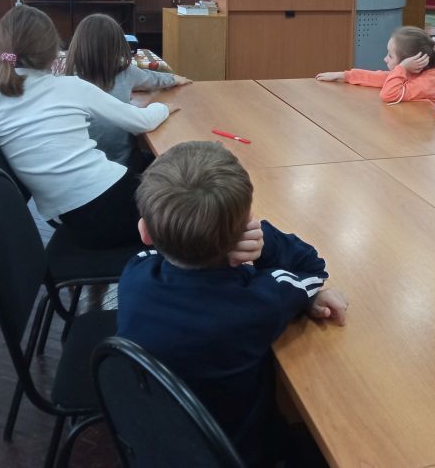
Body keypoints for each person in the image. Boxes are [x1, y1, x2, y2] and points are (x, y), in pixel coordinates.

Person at [118, 141, 348, 465]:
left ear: (145, 232)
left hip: (156, 444)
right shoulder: (257, 304)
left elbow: (155, 255)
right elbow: (312, 269)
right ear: (246, 224)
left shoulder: (135, 274)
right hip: (238, 454)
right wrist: (264, 241)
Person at [0, 4, 174, 249]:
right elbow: (143, 121)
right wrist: (164, 108)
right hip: (115, 204)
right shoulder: (71, 87)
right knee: (185, 205)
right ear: (54, 53)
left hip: (76, 222)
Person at [65, 13, 190, 169]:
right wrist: (173, 80)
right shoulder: (125, 72)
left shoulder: (69, 80)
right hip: (124, 164)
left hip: (84, 166)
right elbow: (151, 80)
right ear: (119, 46)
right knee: (171, 160)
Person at [315, 26, 435, 104]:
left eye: (390, 56)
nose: (385, 59)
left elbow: (389, 94)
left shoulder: (428, 83)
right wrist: (344, 75)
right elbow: (378, 77)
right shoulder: (413, 72)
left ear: (410, 62)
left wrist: (401, 68)